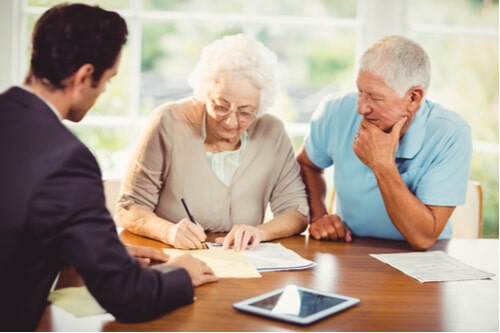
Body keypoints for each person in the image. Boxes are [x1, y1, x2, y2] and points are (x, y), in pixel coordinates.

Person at [0, 4, 217, 331]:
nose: (102, 91)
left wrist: (94, 250)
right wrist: (181, 274)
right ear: (85, 76)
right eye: (108, 80)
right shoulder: (66, 160)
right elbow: (128, 296)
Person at [116, 34, 309, 251]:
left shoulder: (272, 131)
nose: (231, 121)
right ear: (205, 93)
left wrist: (260, 232)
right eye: (221, 106)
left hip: (242, 261)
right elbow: (129, 208)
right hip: (172, 257)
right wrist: (168, 232)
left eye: (245, 112)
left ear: (259, 107)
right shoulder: (168, 122)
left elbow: (297, 212)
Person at [296, 35, 472, 251]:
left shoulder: (450, 133)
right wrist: (318, 215)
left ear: (413, 98)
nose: (361, 108)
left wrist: (381, 164)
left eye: (375, 98)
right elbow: (306, 164)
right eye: (360, 92)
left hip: (423, 260)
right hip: (351, 251)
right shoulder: (335, 110)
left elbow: (423, 239)